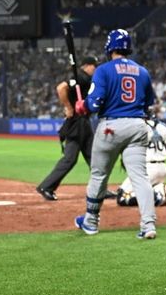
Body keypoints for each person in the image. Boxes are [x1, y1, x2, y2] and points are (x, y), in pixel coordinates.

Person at [73, 29, 158, 239]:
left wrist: (81, 106)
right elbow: (149, 103)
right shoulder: (143, 71)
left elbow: (94, 103)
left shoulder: (103, 70)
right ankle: (148, 225)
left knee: (99, 175)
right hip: (138, 125)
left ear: (109, 48)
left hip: (111, 126)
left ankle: (91, 222)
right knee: (140, 177)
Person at [36, 55, 98, 201]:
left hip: (84, 122)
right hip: (77, 123)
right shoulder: (81, 77)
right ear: (87, 66)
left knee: (94, 159)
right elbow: (61, 87)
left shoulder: (85, 79)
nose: (95, 70)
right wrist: (68, 107)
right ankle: (46, 186)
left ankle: (100, 189)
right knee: (70, 159)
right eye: (94, 67)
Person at [116, 119, 166, 207]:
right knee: (136, 189)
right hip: (163, 170)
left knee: (122, 197)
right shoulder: (161, 127)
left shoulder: (137, 128)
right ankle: (159, 189)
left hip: (147, 170)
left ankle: (157, 197)